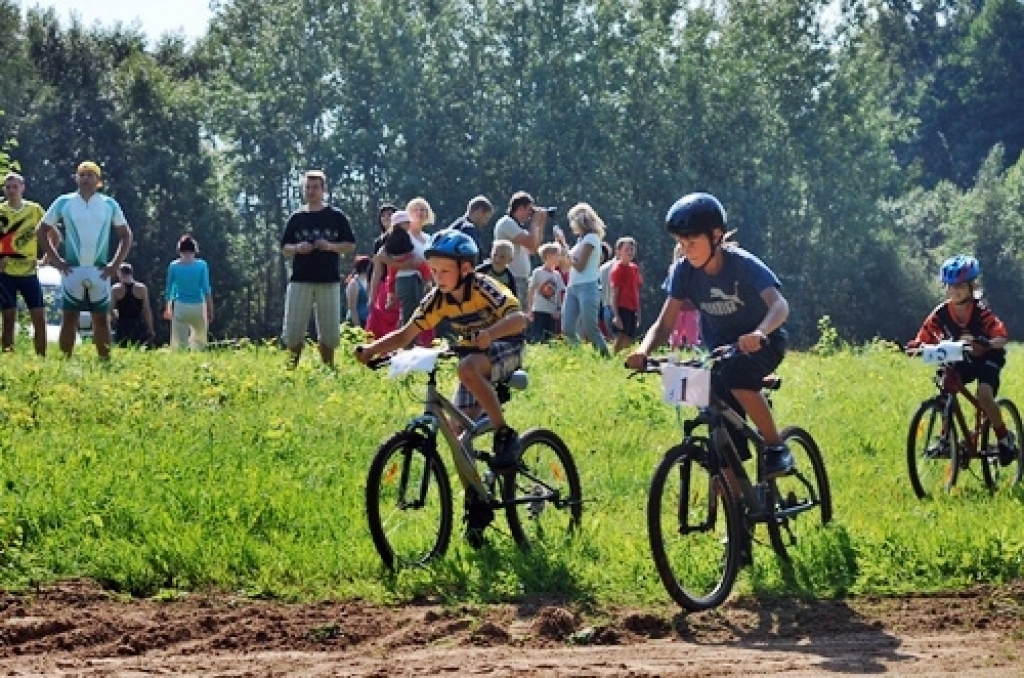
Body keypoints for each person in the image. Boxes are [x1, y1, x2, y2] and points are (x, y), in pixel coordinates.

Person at [625, 192, 794, 480]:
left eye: (692, 242)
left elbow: (780, 306)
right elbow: (664, 324)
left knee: (737, 378)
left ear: (716, 236)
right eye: (681, 243)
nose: (686, 250)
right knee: (710, 410)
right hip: (720, 352)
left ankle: (776, 448)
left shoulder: (742, 263)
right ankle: (736, 500)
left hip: (764, 342)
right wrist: (643, 351)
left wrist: (759, 333)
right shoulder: (684, 272)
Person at [355, 229, 528, 476]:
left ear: (466, 269)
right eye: (434, 271)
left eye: (444, 271)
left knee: (466, 367)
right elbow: (405, 334)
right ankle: (475, 501)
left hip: (508, 345)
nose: (437, 278)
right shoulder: (438, 299)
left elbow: (519, 319)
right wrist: (372, 349)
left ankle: (504, 434)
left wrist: (490, 334)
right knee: (457, 438)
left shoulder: (483, 287)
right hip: (473, 357)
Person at [909, 255, 1016, 464]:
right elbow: (926, 333)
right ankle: (946, 438)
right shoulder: (941, 313)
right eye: (950, 286)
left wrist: (990, 342)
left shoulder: (981, 311)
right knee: (946, 384)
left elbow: (1000, 334)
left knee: (984, 395)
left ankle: (1005, 437)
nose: (954, 290)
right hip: (962, 355)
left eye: (960, 286)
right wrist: (916, 345)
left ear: (971, 287)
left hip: (987, 357)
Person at [37, 160, 133, 360]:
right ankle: (65, 360)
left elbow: (126, 235)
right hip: (73, 269)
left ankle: (104, 361)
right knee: (69, 317)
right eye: (82, 175)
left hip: (99, 270)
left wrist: (114, 265)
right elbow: (42, 230)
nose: (86, 179)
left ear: (99, 180)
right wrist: (57, 260)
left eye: (90, 175)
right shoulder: (64, 201)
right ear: (76, 178)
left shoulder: (109, 204)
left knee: (101, 318)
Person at [280, 170, 356, 367]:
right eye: (308, 187)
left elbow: (350, 245)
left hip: (328, 279)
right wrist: (298, 248)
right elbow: (285, 248)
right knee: (294, 329)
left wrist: (330, 246)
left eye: (315, 187)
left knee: (330, 331)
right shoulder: (296, 217)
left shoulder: (336, 216)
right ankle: (291, 368)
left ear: (324, 190)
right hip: (300, 280)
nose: (311, 191)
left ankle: (328, 369)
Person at [0, 172, 48, 355]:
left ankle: (42, 359)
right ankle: (8, 358)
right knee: (8, 318)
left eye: (15, 187)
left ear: (23, 188)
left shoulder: (34, 210)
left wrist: (46, 259)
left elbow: (52, 233)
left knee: (39, 318)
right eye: (8, 187)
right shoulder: (1, 210)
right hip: (6, 274)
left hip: (29, 272)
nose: (11, 190)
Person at [559, 202, 610, 357]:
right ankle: (578, 357)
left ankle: (605, 356)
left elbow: (579, 265)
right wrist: (563, 247)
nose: (571, 225)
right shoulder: (580, 241)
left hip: (588, 286)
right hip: (573, 286)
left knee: (590, 328)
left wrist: (565, 247)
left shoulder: (592, 239)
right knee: (567, 328)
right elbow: (566, 266)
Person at [493, 191, 549, 304]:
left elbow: (534, 249)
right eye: (529, 210)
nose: (530, 215)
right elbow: (530, 243)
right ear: (520, 208)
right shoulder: (507, 223)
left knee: (521, 315)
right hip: (511, 277)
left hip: (520, 278)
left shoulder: (519, 228)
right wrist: (534, 222)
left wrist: (540, 224)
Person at [164, 235, 213, 351]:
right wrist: (210, 309)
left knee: (179, 343)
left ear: (179, 249)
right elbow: (206, 289)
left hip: (181, 306)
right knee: (199, 340)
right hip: (198, 306)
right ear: (194, 249)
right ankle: (196, 359)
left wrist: (168, 308)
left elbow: (170, 289)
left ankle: (182, 360)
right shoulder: (202, 265)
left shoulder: (174, 266)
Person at [608, 236, 643, 353]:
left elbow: (636, 291)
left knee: (629, 336)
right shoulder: (617, 269)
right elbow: (614, 293)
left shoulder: (634, 269)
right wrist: (616, 315)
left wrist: (638, 311)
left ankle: (622, 359)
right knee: (621, 336)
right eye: (627, 249)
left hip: (632, 308)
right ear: (618, 251)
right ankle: (613, 357)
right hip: (622, 307)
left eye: (632, 249)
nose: (630, 252)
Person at [527, 242, 565, 343]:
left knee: (550, 338)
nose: (559, 258)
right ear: (549, 256)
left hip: (552, 312)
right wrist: (530, 309)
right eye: (557, 255)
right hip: (539, 310)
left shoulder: (557, 275)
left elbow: (560, 294)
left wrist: (559, 309)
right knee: (537, 337)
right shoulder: (538, 272)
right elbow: (531, 290)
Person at [110, 263, 155, 347]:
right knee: (138, 349)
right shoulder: (142, 288)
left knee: (122, 349)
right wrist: (150, 328)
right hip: (137, 324)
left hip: (122, 324)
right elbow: (146, 310)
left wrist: (115, 320)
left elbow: (110, 309)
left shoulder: (116, 289)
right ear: (131, 273)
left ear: (120, 273)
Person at [669, 243, 701, 350]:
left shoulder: (695, 269)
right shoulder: (673, 269)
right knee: (676, 329)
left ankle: (692, 348)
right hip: (677, 305)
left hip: (691, 305)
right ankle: (674, 349)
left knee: (692, 329)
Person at [345, 255, 371, 328]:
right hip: (356, 322)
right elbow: (352, 308)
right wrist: (358, 328)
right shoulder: (354, 283)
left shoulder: (369, 282)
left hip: (367, 322)